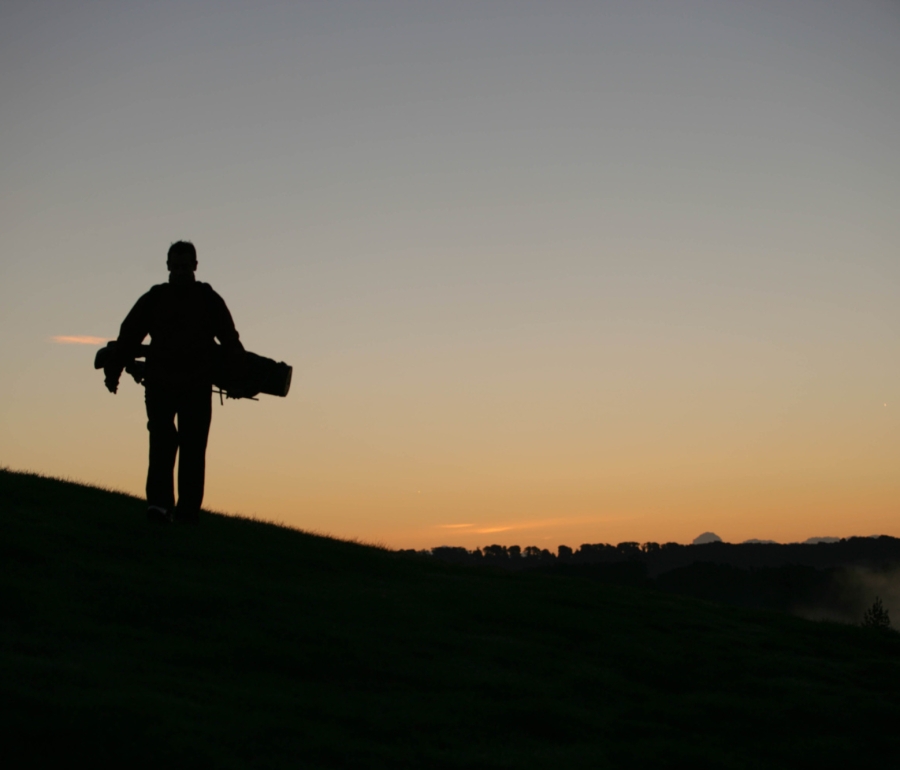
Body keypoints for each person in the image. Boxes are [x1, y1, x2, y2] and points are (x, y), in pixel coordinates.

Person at [104, 241, 244, 523]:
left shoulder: (208, 299)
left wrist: (238, 377)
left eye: (185, 266)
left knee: (193, 449)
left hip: (196, 385)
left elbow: (230, 341)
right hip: (160, 385)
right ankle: (159, 506)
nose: (180, 271)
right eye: (176, 266)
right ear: (168, 266)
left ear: (195, 266)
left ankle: (187, 512)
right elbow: (128, 337)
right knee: (161, 444)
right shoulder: (155, 298)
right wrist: (113, 370)